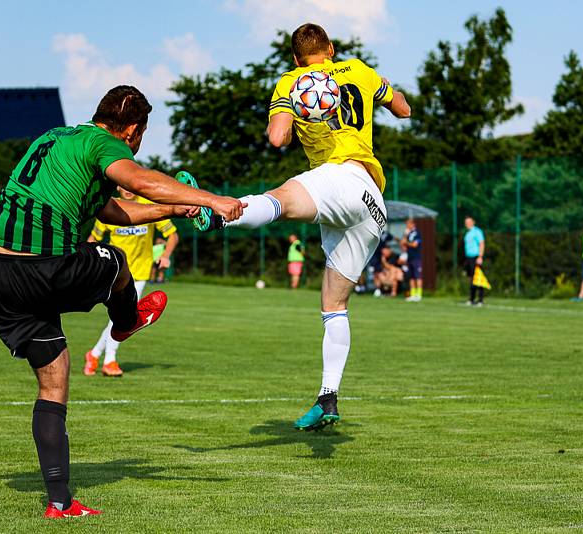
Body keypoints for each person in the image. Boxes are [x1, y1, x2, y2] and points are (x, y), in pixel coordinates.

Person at [0, 85, 243, 519]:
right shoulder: (104, 143)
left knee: (54, 381)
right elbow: (140, 181)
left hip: (3, 277)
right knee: (114, 260)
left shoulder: (55, 138)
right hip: (45, 263)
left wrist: (173, 210)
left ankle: (59, 502)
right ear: (131, 129)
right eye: (141, 134)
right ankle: (128, 320)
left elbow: (113, 211)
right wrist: (211, 200)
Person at [190, 23, 410, 430]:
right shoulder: (360, 70)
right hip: (373, 205)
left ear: (295, 58)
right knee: (334, 305)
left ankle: (216, 214)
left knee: (281, 200)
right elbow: (402, 109)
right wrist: (386, 90)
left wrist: (293, 108)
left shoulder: (291, 81)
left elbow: (277, 138)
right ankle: (328, 397)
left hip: (340, 178)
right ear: (331, 48)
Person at [85, 187, 179, 376]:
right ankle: (101, 357)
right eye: (122, 185)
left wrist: (166, 255)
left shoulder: (149, 207)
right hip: (115, 273)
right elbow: (93, 239)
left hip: (140, 272)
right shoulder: (110, 206)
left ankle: (101, 357)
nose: (126, 189)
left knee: (123, 316)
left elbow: (173, 235)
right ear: (118, 186)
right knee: (122, 317)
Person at [463, 216, 486, 306]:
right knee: (471, 278)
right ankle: (471, 299)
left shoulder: (477, 232)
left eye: (469, 222)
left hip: (475, 257)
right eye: (466, 222)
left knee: (478, 278)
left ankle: (480, 299)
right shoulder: (468, 233)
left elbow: (481, 243)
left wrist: (480, 256)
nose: (467, 224)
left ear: (473, 222)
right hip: (469, 258)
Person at [402, 218, 423, 302]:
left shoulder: (417, 233)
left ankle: (419, 294)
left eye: (408, 224)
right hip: (409, 257)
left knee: (417, 276)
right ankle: (413, 294)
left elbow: (415, 245)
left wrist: (406, 242)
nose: (407, 226)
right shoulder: (409, 233)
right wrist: (405, 236)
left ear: (412, 224)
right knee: (411, 277)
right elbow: (403, 244)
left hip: (416, 258)